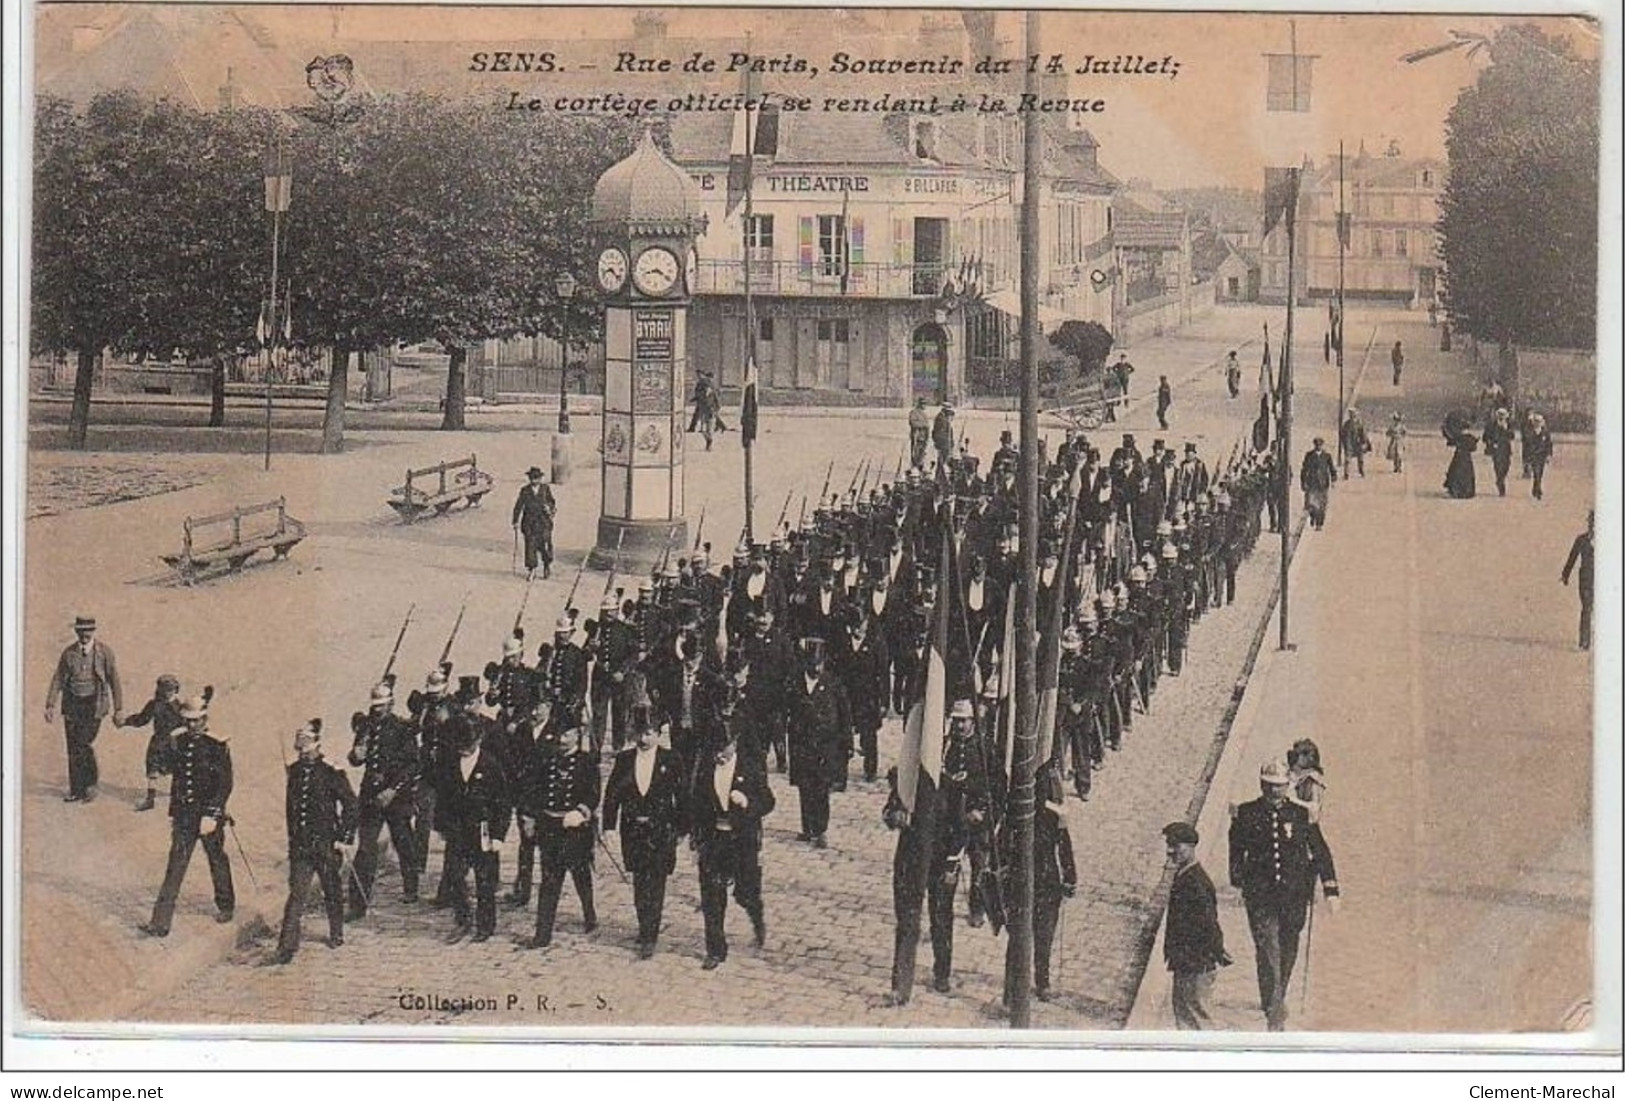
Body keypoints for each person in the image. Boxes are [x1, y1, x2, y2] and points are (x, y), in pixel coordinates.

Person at [1228, 758, 1340, 1031]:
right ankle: (1275, 1013)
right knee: (1268, 951)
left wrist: (1330, 888)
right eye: (1268, 786)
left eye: (1279, 786)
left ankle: (1274, 998)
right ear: (1261, 785)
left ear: (1287, 786)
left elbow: (1320, 850)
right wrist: (1239, 878)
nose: (1274, 792)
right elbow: (1235, 851)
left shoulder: (1301, 815)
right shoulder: (1246, 813)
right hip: (1261, 899)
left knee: (1288, 951)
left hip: (1294, 898)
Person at [140, 692, 234, 938]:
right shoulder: (177, 740)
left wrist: (213, 814)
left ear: (205, 719)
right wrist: (159, 765)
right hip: (183, 816)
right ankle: (160, 923)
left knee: (216, 859)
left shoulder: (217, 745)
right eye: (188, 721)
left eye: (196, 720)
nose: (192, 725)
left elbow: (225, 783)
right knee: (175, 866)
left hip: (208, 817)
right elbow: (172, 767)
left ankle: (226, 904)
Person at [603, 709, 689, 959]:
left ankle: (650, 935)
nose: (643, 738)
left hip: (661, 830)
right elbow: (612, 795)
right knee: (640, 882)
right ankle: (644, 926)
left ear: (659, 734)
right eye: (640, 733)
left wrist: (683, 828)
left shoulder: (671, 759)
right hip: (633, 831)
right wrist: (608, 826)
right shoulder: (624, 759)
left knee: (657, 881)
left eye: (649, 733)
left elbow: (682, 796)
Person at [273, 719, 358, 965]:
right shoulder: (295, 771)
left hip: (326, 844)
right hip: (301, 846)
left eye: (307, 750)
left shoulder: (331, 771)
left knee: (331, 889)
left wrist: (344, 837)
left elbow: (351, 805)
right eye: (300, 750)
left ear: (317, 746)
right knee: (297, 894)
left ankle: (336, 930)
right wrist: (292, 843)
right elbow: (292, 812)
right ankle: (286, 946)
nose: (303, 754)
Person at [691, 720, 774, 970]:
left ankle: (756, 918)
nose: (719, 754)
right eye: (715, 749)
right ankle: (715, 949)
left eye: (723, 749)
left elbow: (769, 801)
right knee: (711, 896)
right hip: (714, 840)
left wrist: (748, 803)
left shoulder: (749, 768)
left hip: (742, 841)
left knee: (745, 892)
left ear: (734, 744)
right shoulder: (705, 768)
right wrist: (695, 837)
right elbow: (695, 802)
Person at [521, 706, 601, 950]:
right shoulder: (547, 759)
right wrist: (531, 817)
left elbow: (593, 793)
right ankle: (542, 933)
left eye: (567, 734)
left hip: (575, 829)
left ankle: (589, 912)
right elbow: (534, 790)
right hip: (550, 827)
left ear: (577, 734)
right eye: (559, 735)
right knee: (549, 880)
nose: (562, 739)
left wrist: (581, 811)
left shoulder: (587, 762)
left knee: (580, 874)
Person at [345, 679, 420, 917]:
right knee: (366, 849)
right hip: (370, 794)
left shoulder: (401, 728)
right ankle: (358, 904)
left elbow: (412, 765)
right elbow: (357, 757)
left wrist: (394, 789)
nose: (377, 710)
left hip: (395, 795)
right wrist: (355, 755)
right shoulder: (366, 726)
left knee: (403, 841)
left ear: (391, 704)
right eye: (375, 706)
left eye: (382, 706)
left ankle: (411, 885)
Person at [436, 707, 511, 943]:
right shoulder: (448, 763)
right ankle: (463, 919)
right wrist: (442, 826)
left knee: (485, 880)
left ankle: (485, 925)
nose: (464, 749)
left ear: (478, 740)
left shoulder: (491, 765)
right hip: (458, 830)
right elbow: (444, 797)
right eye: (460, 745)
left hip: (483, 830)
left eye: (468, 744)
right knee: (455, 877)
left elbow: (503, 803)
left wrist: (499, 835)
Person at [44, 614, 123, 803]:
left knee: (84, 743)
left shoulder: (104, 652)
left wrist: (118, 708)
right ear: (76, 631)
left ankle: (90, 784)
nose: (84, 634)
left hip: (94, 705)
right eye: (81, 631)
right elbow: (58, 678)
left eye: (88, 630)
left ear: (93, 631)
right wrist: (50, 704)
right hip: (72, 705)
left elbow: (114, 681)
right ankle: (76, 790)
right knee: (73, 747)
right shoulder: (69, 653)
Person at [1162, 820, 1229, 1029]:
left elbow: (1209, 922)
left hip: (1196, 962)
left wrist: (1217, 951)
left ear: (1191, 847)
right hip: (1185, 960)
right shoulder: (1186, 875)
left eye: (1176, 846)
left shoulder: (1196, 882)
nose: (1170, 851)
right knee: (1184, 1013)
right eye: (1169, 845)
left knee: (1198, 1015)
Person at [785, 637, 850, 849]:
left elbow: (844, 715)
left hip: (826, 745)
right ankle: (807, 827)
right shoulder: (795, 682)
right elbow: (787, 710)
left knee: (821, 788)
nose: (816, 668)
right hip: (802, 745)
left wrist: (846, 743)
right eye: (812, 664)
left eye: (819, 664)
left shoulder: (833, 683)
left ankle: (820, 829)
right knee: (805, 787)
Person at [119, 673, 183, 812]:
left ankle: (177, 799)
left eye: (170, 689)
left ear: (176, 690)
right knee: (152, 770)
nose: (167, 693)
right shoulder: (154, 704)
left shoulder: (180, 707)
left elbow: (187, 724)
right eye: (164, 689)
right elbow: (142, 719)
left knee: (178, 770)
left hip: (175, 742)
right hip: (158, 742)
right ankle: (150, 799)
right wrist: (126, 722)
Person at [512, 467, 557, 580]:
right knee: (530, 546)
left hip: (544, 522)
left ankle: (547, 566)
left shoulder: (545, 489)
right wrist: (515, 521)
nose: (534, 481)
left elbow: (552, 502)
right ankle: (532, 570)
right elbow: (518, 506)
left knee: (545, 546)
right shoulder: (525, 490)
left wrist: (550, 508)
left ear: (540, 478)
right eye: (532, 478)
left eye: (536, 478)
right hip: (529, 523)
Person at [1561, 511, 1594, 651]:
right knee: (1587, 608)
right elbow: (1572, 557)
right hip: (1586, 580)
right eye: (1592, 522)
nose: (1594, 526)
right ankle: (1584, 641)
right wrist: (1565, 575)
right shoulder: (1581, 540)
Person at [1299, 437, 1337, 531]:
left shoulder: (1327, 456)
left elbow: (1332, 468)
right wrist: (1303, 482)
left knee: (1322, 505)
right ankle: (1313, 516)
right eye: (1317, 445)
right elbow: (1304, 470)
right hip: (1312, 483)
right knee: (1311, 504)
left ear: (1322, 445)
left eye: (1320, 445)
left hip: (1323, 484)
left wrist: (1333, 479)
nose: (1318, 447)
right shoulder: (1309, 455)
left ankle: (1319, 524)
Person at [1482, 407, 1517, 497]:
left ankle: (1500, 479)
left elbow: (1512, 436)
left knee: (1506, 466)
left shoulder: (1509, 425)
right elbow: (1485, 437)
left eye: (1503, 415)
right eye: (1500, 415)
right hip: (1496, 450)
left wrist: (1506, 429)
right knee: (1498, 467)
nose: (1502, 417)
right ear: (1497, 415)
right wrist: (1491, 442)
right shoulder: (1491, 425)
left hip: (1506, 450)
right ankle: (1501, 486)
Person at [1443, 412, 1478, 500]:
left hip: (1459, 456)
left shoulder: (1459, 437)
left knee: (1456, 473)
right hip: (1466, 458)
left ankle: (1456, 491)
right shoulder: (1470, 437)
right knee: (1466, 474)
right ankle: (1466, 491)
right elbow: (1473, 448)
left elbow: (1450, 442)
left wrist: (1445, 431)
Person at [1525, 413, 1554, 500]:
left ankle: (1536, 488)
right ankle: (1538, 490)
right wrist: (1526, 458)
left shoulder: (1545, 432)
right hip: (1533, 455)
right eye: (1536, 421)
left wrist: (1549, 455)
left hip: (1542, 456)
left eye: (1539, 421)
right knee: (1536, 473)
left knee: (1540, 473)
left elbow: (1549, 444)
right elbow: (1527, 445)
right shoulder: (1529, 432)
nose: (1537, 423)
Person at [1340, 408, 1372, 478]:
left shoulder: (1359, 423)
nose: (1352, 415)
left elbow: (1363, 433)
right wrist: (1344, 443)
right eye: (1351, 414)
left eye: (1353, 414)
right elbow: (1342, 434)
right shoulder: (1346, 424)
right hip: (1349, 443)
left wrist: (1364, 442)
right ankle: (1346, 473)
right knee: (1347, 459)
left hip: (1357, 443)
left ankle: (1361, 471)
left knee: (1360, 458)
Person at [931, 403, 956, 469]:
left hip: (946, 442)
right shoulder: (940, 418)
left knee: (945, 458)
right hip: (943, 443)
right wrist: (945, 442)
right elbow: (938, 432)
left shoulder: (944, 418)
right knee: (943, 458)